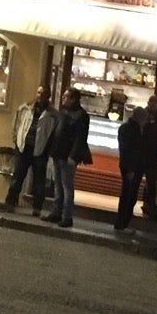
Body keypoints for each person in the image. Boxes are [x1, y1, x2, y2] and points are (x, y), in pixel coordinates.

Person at [4, 85, 56, 215]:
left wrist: (48, 149)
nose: (39, 96)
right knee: (18, 176)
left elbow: (53, 133)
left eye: (42, 94)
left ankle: (37, 207)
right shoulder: (26, 108)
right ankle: (10, 202)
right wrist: (16, 138)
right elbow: (16, 123)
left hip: (40, 149)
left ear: (48, 96)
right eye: (38, 92)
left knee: (39, 180)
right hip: (24, 147)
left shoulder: (52, 114)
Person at [43, 90, 88, 228]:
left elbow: (80, 138)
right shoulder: (63, 111)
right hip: (58, 152)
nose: (63, 98)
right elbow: (57, 130)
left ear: (73, 99)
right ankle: (56, 212)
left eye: (66, 97)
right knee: (58, 184)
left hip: (68, 155)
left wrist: (73, 156)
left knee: (67, 185)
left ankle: (67, 216)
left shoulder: (81, 116)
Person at [113, 106, 148, 231]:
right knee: (129, 195)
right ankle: (122, 223)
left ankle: (122, 222)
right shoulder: (133, 130)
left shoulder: (127, 128)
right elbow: (130, 151)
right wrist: (131, 169)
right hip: (132, 167)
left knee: (128, 194)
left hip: (129, 166)